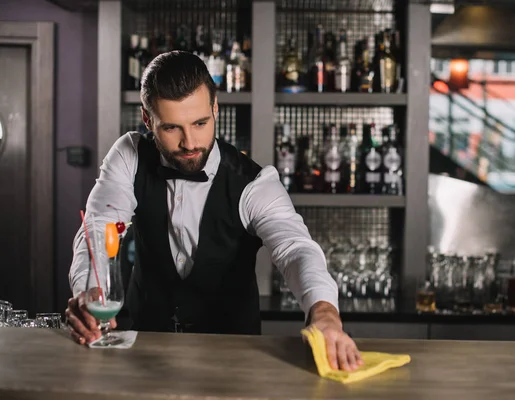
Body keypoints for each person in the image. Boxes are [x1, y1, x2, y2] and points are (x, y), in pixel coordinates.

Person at [66, 50, 363, 371]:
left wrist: (324, 314)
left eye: (200, 122)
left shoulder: (254, 182)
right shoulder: (129, 155)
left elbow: (296, 249)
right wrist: (88, 291)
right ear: (147, 119)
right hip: (146, 347)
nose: (189, 142)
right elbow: (99, 226)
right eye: (171, 128)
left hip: (233, 356)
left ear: (215, 108)